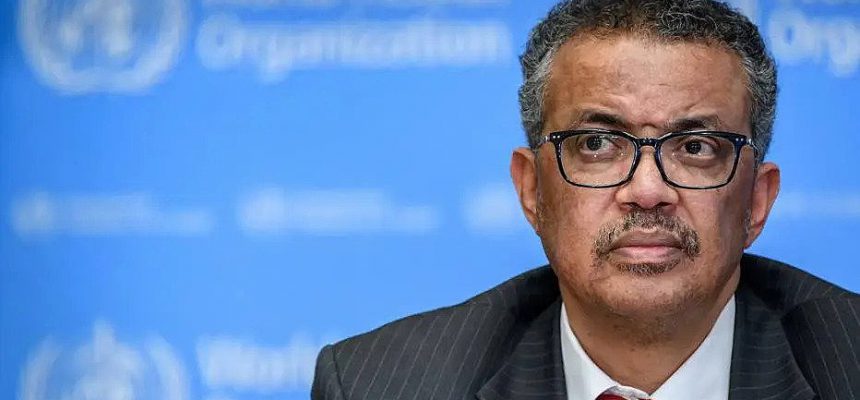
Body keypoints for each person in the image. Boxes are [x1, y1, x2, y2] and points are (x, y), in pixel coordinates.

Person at [312, 1, 860, 399]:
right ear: (532, 190)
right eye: (597, 144)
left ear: (757, 202)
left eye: (696, 148)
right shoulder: (379, 384)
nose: (648, 191)